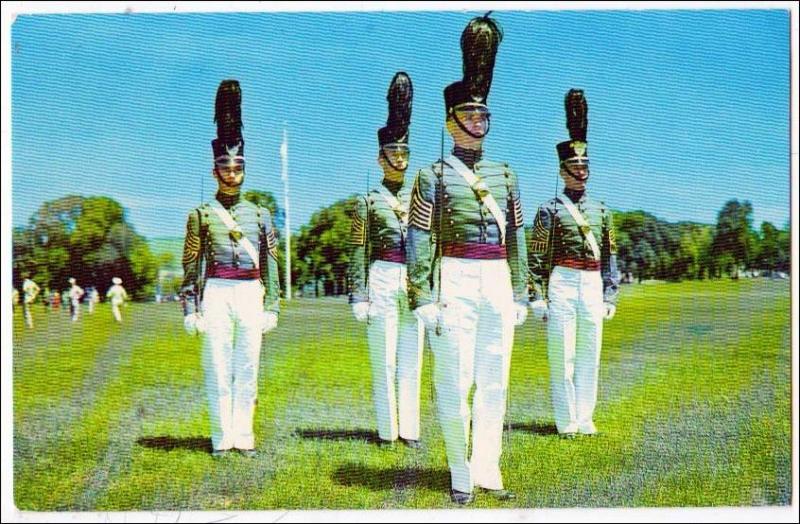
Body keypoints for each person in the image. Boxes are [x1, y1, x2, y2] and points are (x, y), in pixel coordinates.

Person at [405, 13, 528, 505]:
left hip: (497, 276)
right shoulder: (431, 175)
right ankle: (459, 468)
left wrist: (521, 290)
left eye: (484, 116)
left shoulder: (506, 174)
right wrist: (420, 294)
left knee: (495, 376)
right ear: (449, 121)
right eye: (470, 117)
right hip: (453, 277)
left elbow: (515, 238)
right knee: (454, 378)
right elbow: (417, 239)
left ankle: (488, 463)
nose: (479, 124)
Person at [180, 79, 281, 458]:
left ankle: (245, 434)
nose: (233, 173)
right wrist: (190, 308)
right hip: (218, 291)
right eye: (226, 165)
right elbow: (191, 264)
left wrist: (272, 303)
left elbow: (271, 261)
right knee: (218, 366)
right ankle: (221, 437)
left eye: (238, 166)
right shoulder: (201, 215)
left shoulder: (260, 214)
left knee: (248, 365)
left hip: (251, 291)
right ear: (214, 170)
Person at [528, 89, 620, 439]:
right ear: (562, 170)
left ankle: (585, 418)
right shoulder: (549, 210)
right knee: (562, 355)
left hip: (593, 283)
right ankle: (566, 421)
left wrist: (610, 296)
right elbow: (536, 257)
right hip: (563, 281)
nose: (581, 173)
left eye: (585, 167)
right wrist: (537, 295)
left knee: (589, 354)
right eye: (574, 167)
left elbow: (611, 257)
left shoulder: (602, 211)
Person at [347, 72, 424, 448]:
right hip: (381, 275)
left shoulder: (421, 196)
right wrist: (358, 295)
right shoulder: (368, 201)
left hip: (413, 277)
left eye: (405, 152)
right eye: (393, 153)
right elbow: (358, 251)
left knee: (411, 356)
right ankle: (386, 430)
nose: (399, 159)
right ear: (380, 157)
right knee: (385, 357)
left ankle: (409, 429)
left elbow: (431, 244)